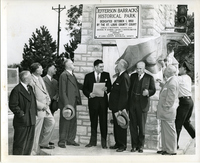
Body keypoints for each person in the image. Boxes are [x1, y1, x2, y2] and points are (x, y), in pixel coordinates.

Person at [83, 59, 112, 149]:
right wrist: (89, 94)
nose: (102, 68)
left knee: (104, 123)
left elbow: (110, 87)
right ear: (95, 67)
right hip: (93, 103)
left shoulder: (106, 75)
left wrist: (107, 89)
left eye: (103, 66)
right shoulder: (88, 76)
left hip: (103, 103)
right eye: (100, 67)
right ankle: (93, 142)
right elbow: (84, 89)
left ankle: (104, 143)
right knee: (93, 122)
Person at [128, 61, 156, 153]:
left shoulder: (149, 78)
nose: (138, 70)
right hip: (132, 104)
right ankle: (134, 145)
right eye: (137, 68)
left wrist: (148, 92)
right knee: (133, 126)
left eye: (140, 68)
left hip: (142, 105)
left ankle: (141, 146)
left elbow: (153, 90)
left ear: (144, 69)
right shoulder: (133, 76)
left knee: (141, 127)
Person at [9, 71, 37, 155]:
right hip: (22, 121)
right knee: (19, 144)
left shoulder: (30, 88)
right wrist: (22, 115)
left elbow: (33, 102)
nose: (32, 78)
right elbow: (13, 105)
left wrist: (34, 114)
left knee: (29, 143)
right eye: (30, 76)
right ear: (26, 78)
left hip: (31, 120)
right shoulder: (17, 90)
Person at [30, 62, 55, 155]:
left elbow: (45, 91)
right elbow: (31, 98)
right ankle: (34, 151)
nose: (42, 70)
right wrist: (41, 106)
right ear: (36, 70)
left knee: (51, 122)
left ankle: (43, 143)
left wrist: (48, 99)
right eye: (41, 68)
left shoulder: (40, 78)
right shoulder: (31, 80)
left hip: (46, 107)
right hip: (39, 109)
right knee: (37, 130)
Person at [58, 59, 82, 148]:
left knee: (72, 121)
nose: (73, 64)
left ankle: (70, 140)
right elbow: (62, 91)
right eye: (72, 63)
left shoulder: (72, 75)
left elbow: (77, 85)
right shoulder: (64, 75)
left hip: (73, 102)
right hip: (67, 104)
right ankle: (62, 141)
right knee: (65, 121)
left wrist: (89, 85)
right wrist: (66, 104)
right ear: (67, 65)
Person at [157, 65, 179, 155]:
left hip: (167, 111)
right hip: (165, 112)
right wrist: (163, 85)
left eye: (165, 69)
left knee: (169, 131)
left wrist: (165, 107)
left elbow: (171, 98)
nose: (163, 70)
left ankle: (171, 150)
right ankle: (166, 148)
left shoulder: (172, 82)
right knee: (165, 131)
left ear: (169, 71)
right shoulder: (170, 81)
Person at [109, 59, 130, 152]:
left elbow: (124, 94)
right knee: (116, 126)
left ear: (121, 66)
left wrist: (121, 109)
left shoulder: (124, 77)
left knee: (121, 125)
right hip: (115, 107)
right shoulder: (120, 76)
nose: (116, 66)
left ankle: (122, 145)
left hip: (119, 107)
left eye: (117, 65)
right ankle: (118, 143)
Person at [175, 62, 195, 149]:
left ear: (184, 69)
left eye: (180, 67)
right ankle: (196, 137)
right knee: (186, 122)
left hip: (184, 102)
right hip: (189, 101)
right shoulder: (188, 78)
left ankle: (174, 145)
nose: (179, 69)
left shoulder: (180, 79)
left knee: (178, 123)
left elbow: (171, 83)